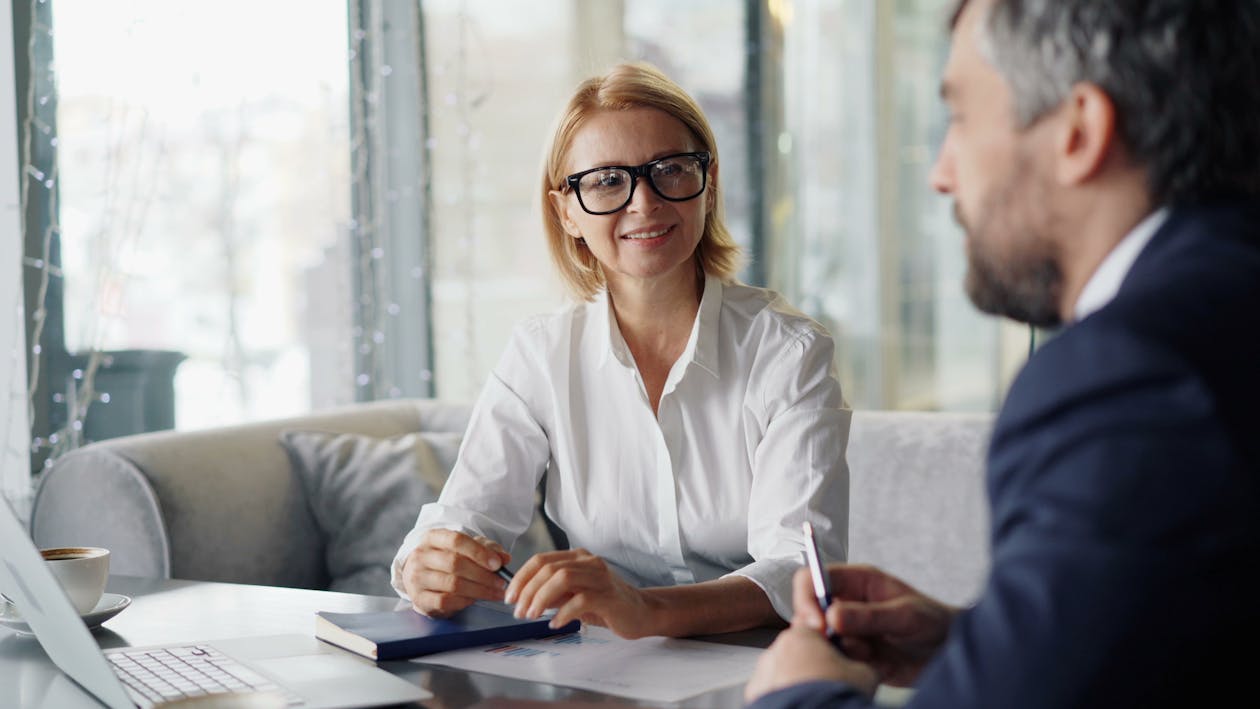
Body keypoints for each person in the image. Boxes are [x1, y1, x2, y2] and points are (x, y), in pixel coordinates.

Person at [746, 0, 1260, 706]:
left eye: (958, 118)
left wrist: (798, 693)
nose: (940, 173)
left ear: (1077, 132)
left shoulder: (1128, 375)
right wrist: (978, 644)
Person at [391, 62, 851, 639]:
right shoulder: (541, 355)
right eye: (607, 180)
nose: (644, 204)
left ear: (707, 185)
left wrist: (645, 610)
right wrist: (424, 568)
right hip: (604, 670)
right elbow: (465, 520)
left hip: (761, 662)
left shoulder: (788, 350)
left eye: (671, 170)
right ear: (566, 212)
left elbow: (798, 568)